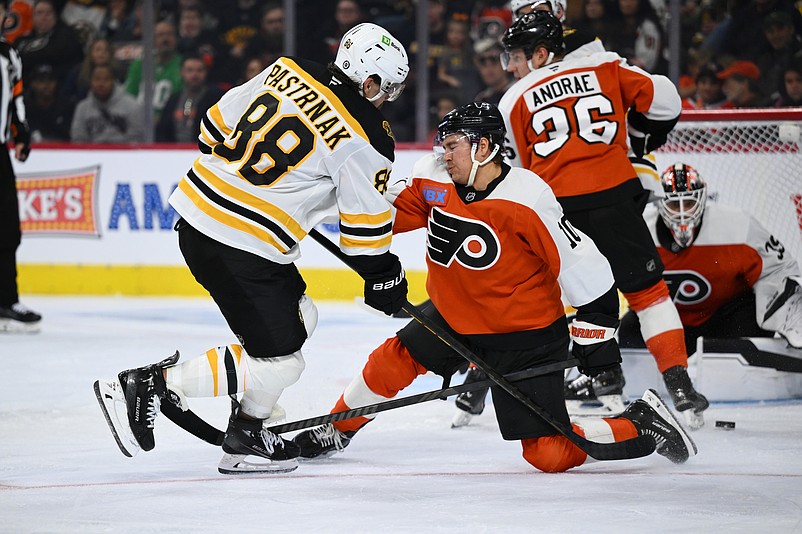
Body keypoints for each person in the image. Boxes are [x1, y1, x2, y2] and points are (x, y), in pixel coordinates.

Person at [290, 102, 696, 472]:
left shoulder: (528, 198)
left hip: (524, 336)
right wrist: (308, 204)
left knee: (547, 454)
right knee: (391, 360)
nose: (442, 155)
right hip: (454, 314)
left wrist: (595, 335)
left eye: (452, 146)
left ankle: (640, 422)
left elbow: (585, 268)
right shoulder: (434, 181)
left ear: (483, 146)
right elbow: (384, 214)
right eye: (441, 146)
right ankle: (339, 428)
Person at [94, 22, 411, 475]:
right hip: (242, 245)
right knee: (283, 362)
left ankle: (247, 432)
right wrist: (387, 277)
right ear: (371, 81)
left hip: (199, 219)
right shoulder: (368, 135)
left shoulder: (289, 69)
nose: (387, 101)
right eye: (388, 90)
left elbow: (211, 128)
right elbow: (364, 238)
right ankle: (153, 384)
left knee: (302, 317)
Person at [497, 12, 709, 427]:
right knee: (648, 294)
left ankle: (605, 381)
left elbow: (517, 171)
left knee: (587, 300)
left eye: (517, 57)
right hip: (615, 197)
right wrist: (642, 135)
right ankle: (680, 386)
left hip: (559, 212)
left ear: (541, 54)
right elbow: (667, 99)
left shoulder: (514, 98)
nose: (512, 66)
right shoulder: (605, 65)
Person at [619, 163, 802, 351]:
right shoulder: (638, 232)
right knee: (628, 332)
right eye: (674, 204)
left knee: (751, 318)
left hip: (723, 320)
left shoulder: (736, 226)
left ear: (702, 199)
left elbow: (777, 268)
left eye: (689, 203)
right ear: (661, 204)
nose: (682, 214)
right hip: (663, 321)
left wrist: (785, 311)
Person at [0, 6, 41, 333]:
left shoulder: (9, 54)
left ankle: (6, 299)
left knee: (8, 228)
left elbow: (17, 97)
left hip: (0, 152)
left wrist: (21, 132)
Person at [155, 54, 224, 143]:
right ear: (181, 72)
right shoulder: (173, 99)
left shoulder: (216, 98)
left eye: (199, 70)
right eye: (189, 70)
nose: (194, 75)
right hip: (172, 152)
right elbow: (162, 129)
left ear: (206, 72)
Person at [123, 19, 182, 122]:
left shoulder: (183, 65)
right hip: (138, 122)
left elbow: (181, 99)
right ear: (153, 40)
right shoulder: (139, 64)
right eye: (160, 35)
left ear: (176, 38)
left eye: (169, 34)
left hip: (169, 123)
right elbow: (129, 96)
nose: (165, 39)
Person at [70, 63, 144, 143]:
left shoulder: (132, 106)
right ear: (90, 81)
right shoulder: (82, 108)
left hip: (123, 153)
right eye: (97, 79)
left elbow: (136, 139)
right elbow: (78, 139)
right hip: (91, 153)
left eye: (106, 79)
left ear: (114, 81)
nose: (101, 84)